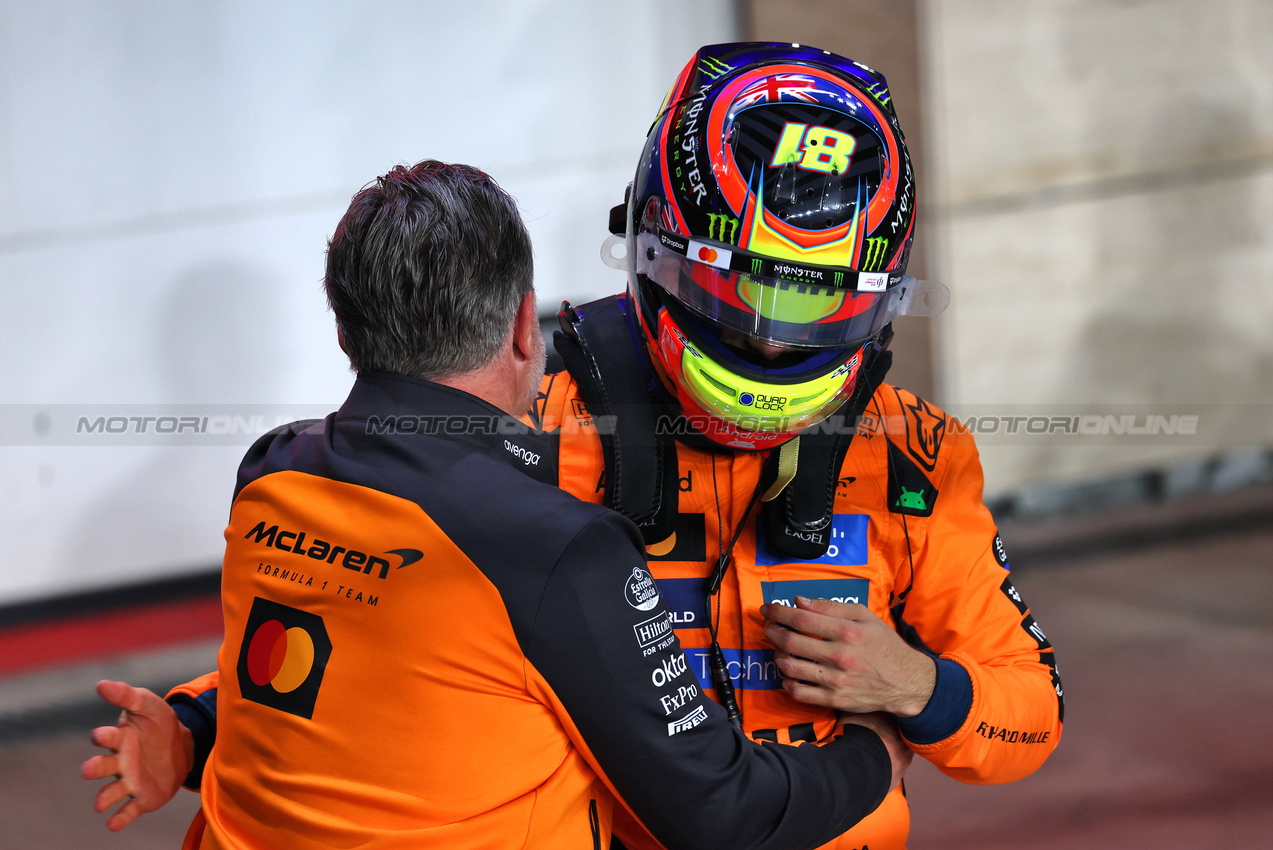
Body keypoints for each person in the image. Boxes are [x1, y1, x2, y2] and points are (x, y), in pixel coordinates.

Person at [90, 41, 1066, 850]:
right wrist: (198, 718)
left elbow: (1030, 712)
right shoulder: (533, 418)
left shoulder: (915, 455)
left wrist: (917, 685)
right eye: (740, 297)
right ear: (655, 244)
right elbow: (397, 641)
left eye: (813, 304)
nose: (770, 342)